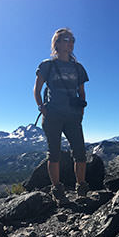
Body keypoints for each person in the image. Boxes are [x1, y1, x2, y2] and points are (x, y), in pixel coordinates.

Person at [33, 28, 89, 197]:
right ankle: (57, 190)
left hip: (72, 116)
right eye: (66, 39)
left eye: (72, 39)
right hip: (53, 115)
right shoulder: (47, 65)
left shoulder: (78, 68)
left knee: (80, 152)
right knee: (54, 153)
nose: (70, 42)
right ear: (56, 43)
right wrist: (41, 106)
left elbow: (82, 92)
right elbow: (37, 89)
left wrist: (81, 111)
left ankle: (82, 188)